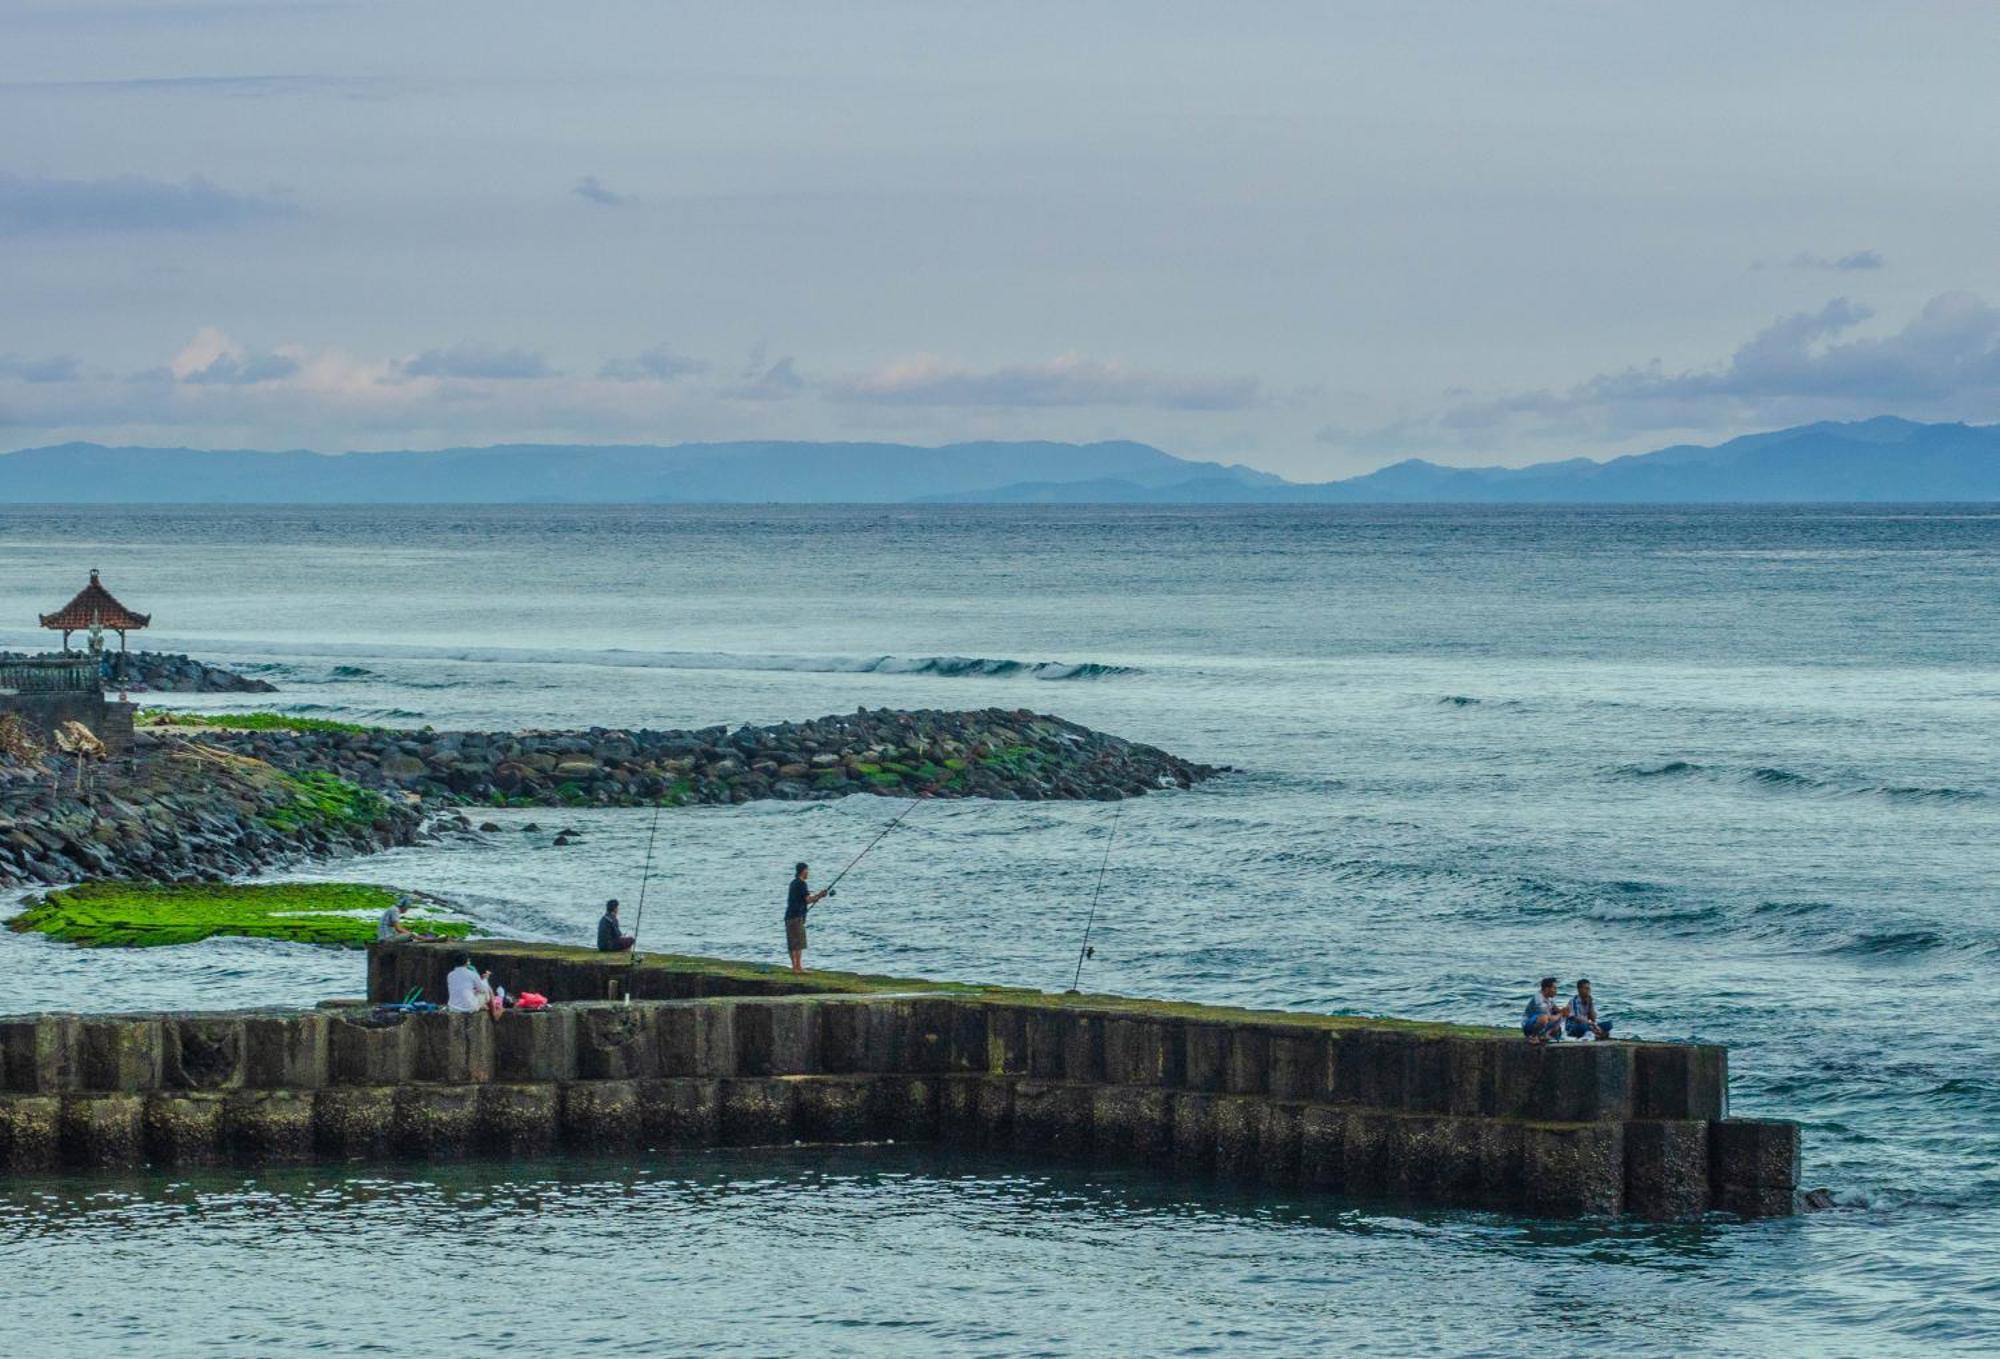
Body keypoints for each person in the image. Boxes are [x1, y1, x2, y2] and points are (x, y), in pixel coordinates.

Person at [785, 862, 829, 974]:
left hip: (789, 916)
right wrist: (820, 895)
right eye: (807, 870)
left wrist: (818, 896)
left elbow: (803, 900)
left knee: (792, 943)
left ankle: (795, 967)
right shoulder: (801, 884)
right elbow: (808, 900)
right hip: (796, 917)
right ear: (803, 871)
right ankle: (798, 968)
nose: (808, 872)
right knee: (798, 943)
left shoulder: (793, 883)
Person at [1521, 976, 1568, 1043]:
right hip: (1529, 1025)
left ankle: (1546, 1034)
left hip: (1542, 1023)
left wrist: (1564, 1011)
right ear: (1546, 989)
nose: (1556, 991)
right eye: (1554, 988)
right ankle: (1533, 1036)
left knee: (1563, 1014)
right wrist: (1561, 1014)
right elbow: (1550, 1018)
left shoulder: (1549, 998)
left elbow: (1556, 1009)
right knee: (1544, 1018)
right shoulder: (1539, 999)